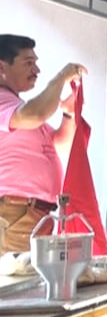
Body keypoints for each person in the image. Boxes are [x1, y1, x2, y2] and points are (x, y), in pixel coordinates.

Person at [0, 35, 86, 253]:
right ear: (2, 67)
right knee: (20, 284)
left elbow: (60, 146)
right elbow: (37, 113)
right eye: (28, 63)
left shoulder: (17, 107)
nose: (36, 70)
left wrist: (68, 114)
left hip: (31, 214)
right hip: (15, 214)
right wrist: (60, 79)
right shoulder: (12, 106)